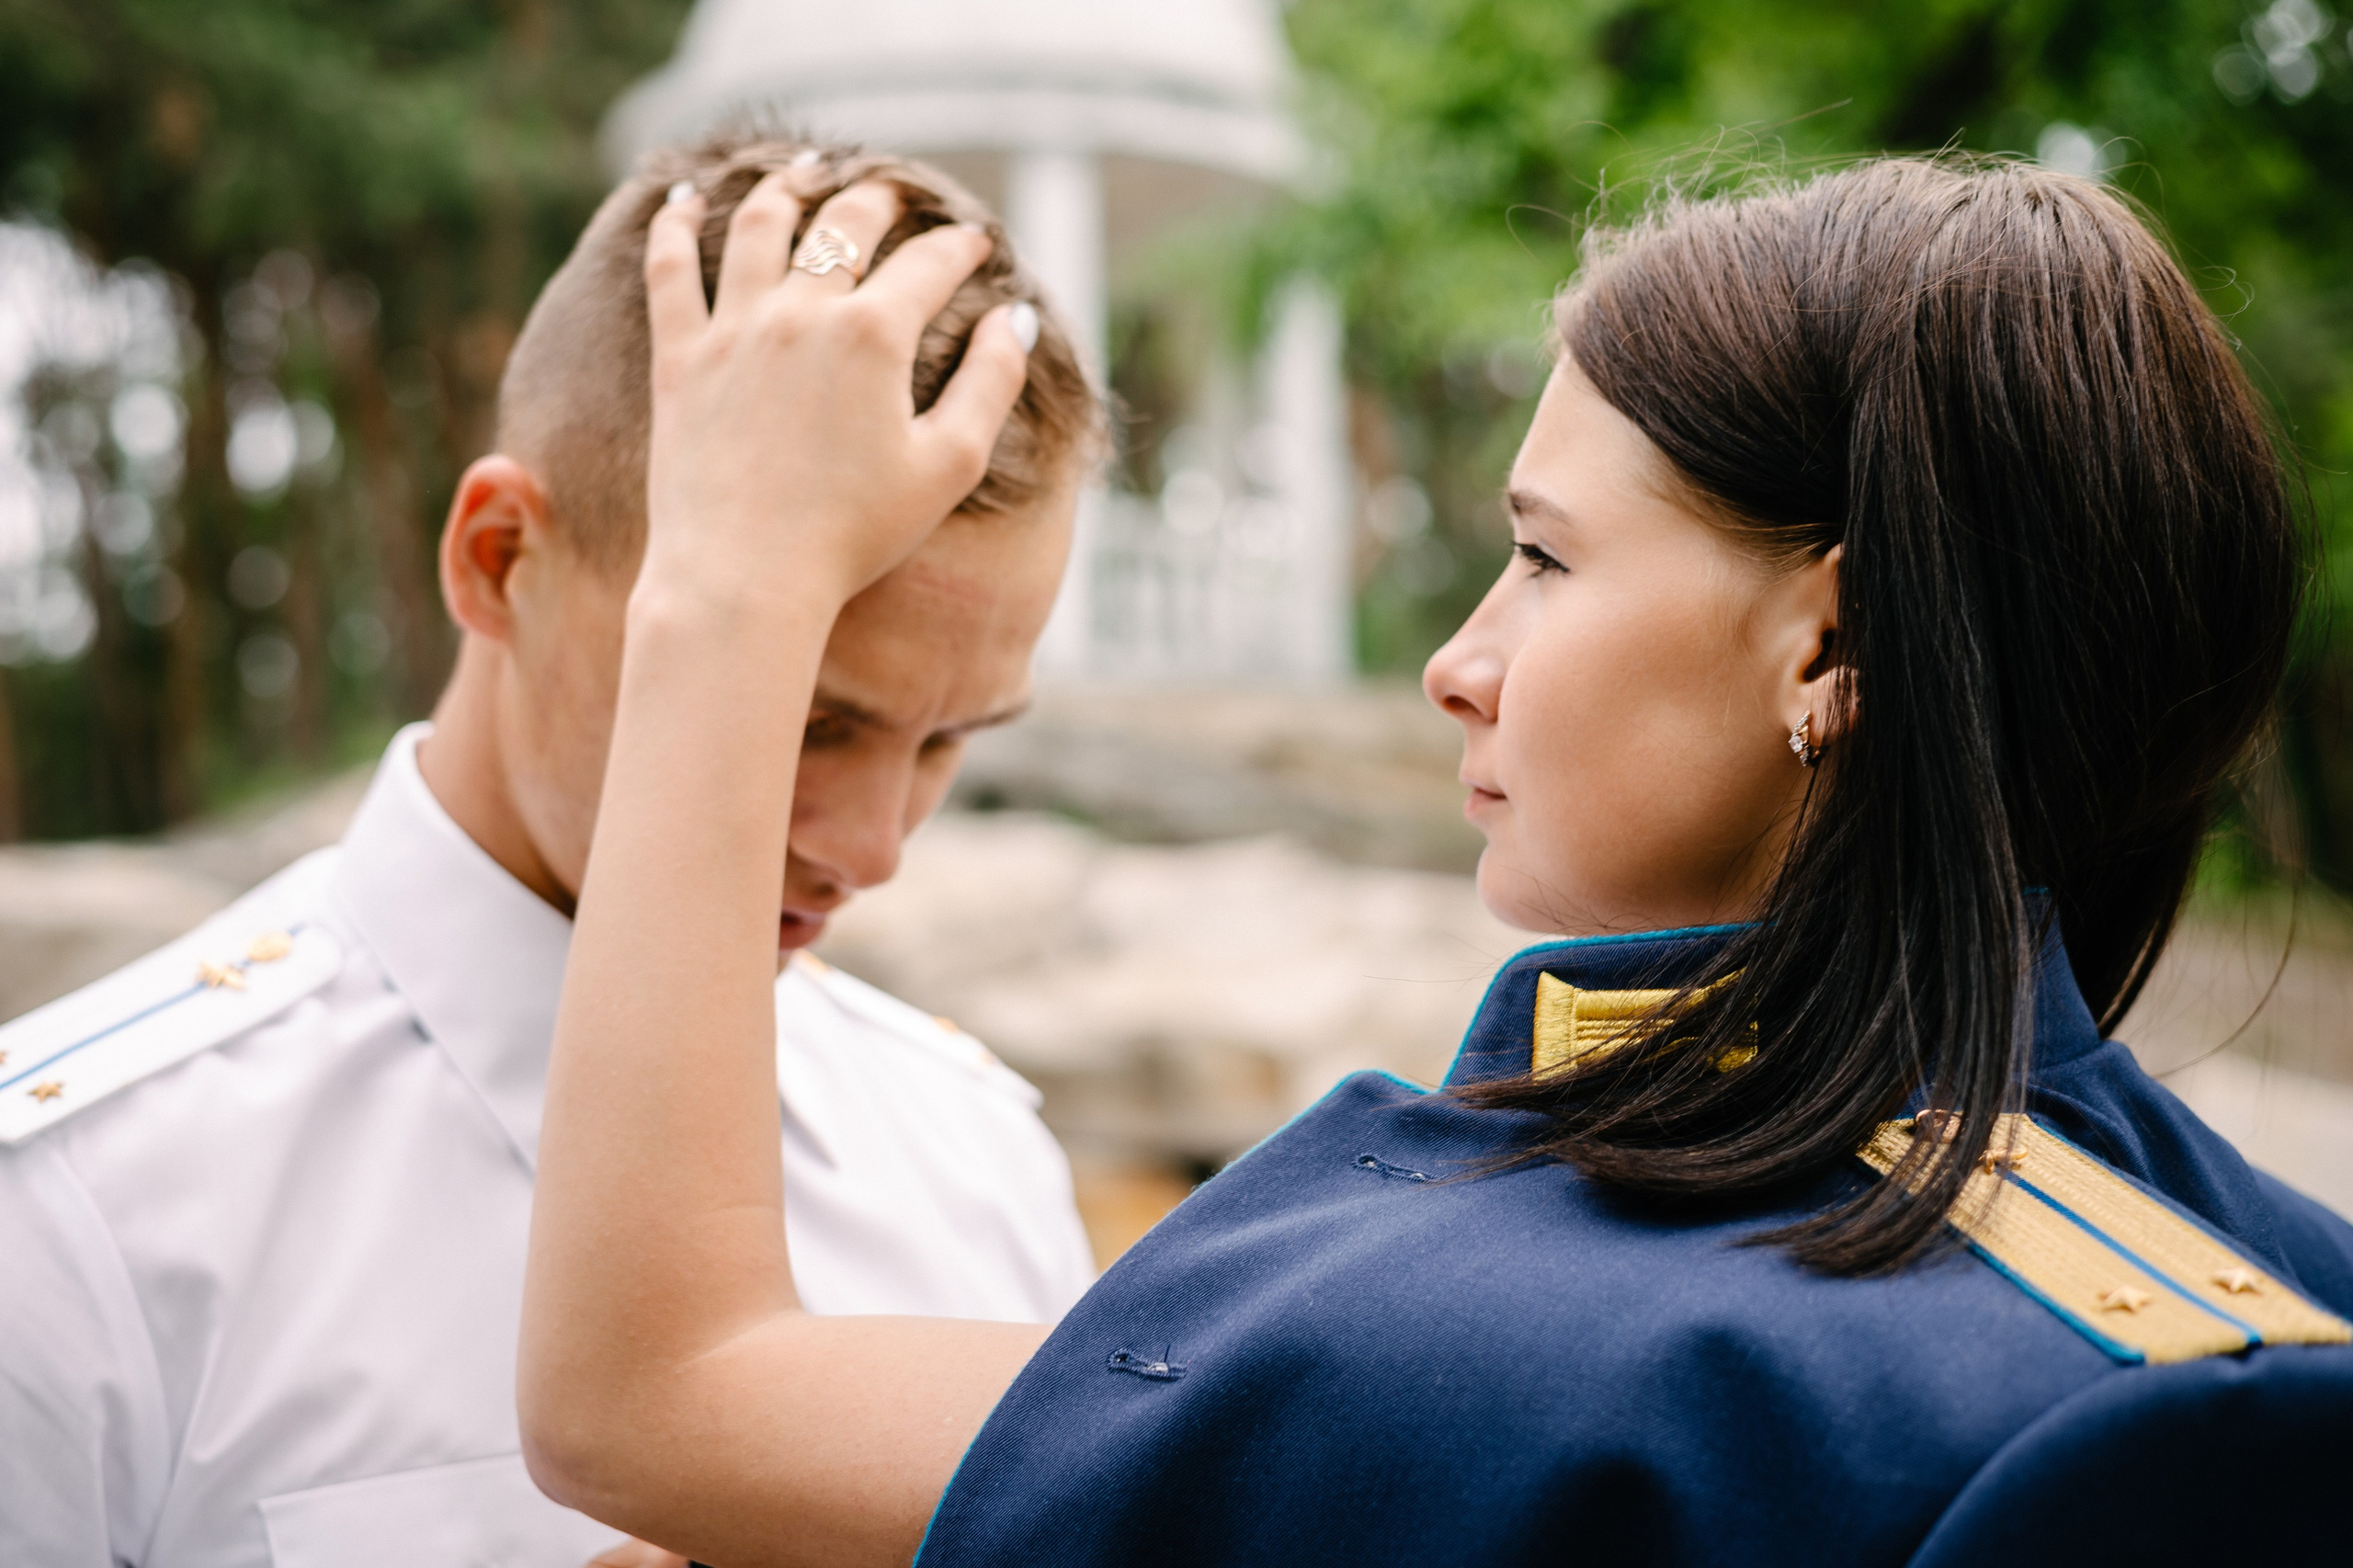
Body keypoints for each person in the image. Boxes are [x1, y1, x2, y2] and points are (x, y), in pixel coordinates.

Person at [517, 156, 2353, 1568]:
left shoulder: (1493, 1338)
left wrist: (733, 576)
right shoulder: (2275, 1276)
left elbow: (651, 1391)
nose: (1453, 662)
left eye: (1544, 560)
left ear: (1825, 650)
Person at [0, 136, 1098, 1568]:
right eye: (813, 714)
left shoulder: (976, 1156)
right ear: (501, 555)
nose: (874, 846)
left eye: (951, 740)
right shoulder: (79, 1212)